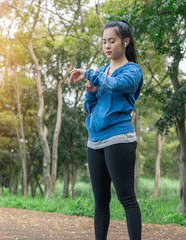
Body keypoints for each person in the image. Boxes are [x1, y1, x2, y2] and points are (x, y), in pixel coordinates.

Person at [70, 19, 143, 240]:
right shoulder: (102, 70)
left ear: (125, 42)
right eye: (104, 42)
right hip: (95, 140)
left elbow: (116, 85)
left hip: (119, 138)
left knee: (126, 197)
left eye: (112, 41)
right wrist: (91, 93)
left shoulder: (132, 70)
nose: (107, 46)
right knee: (100, 201)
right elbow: (89, 108)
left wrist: (91, 74)